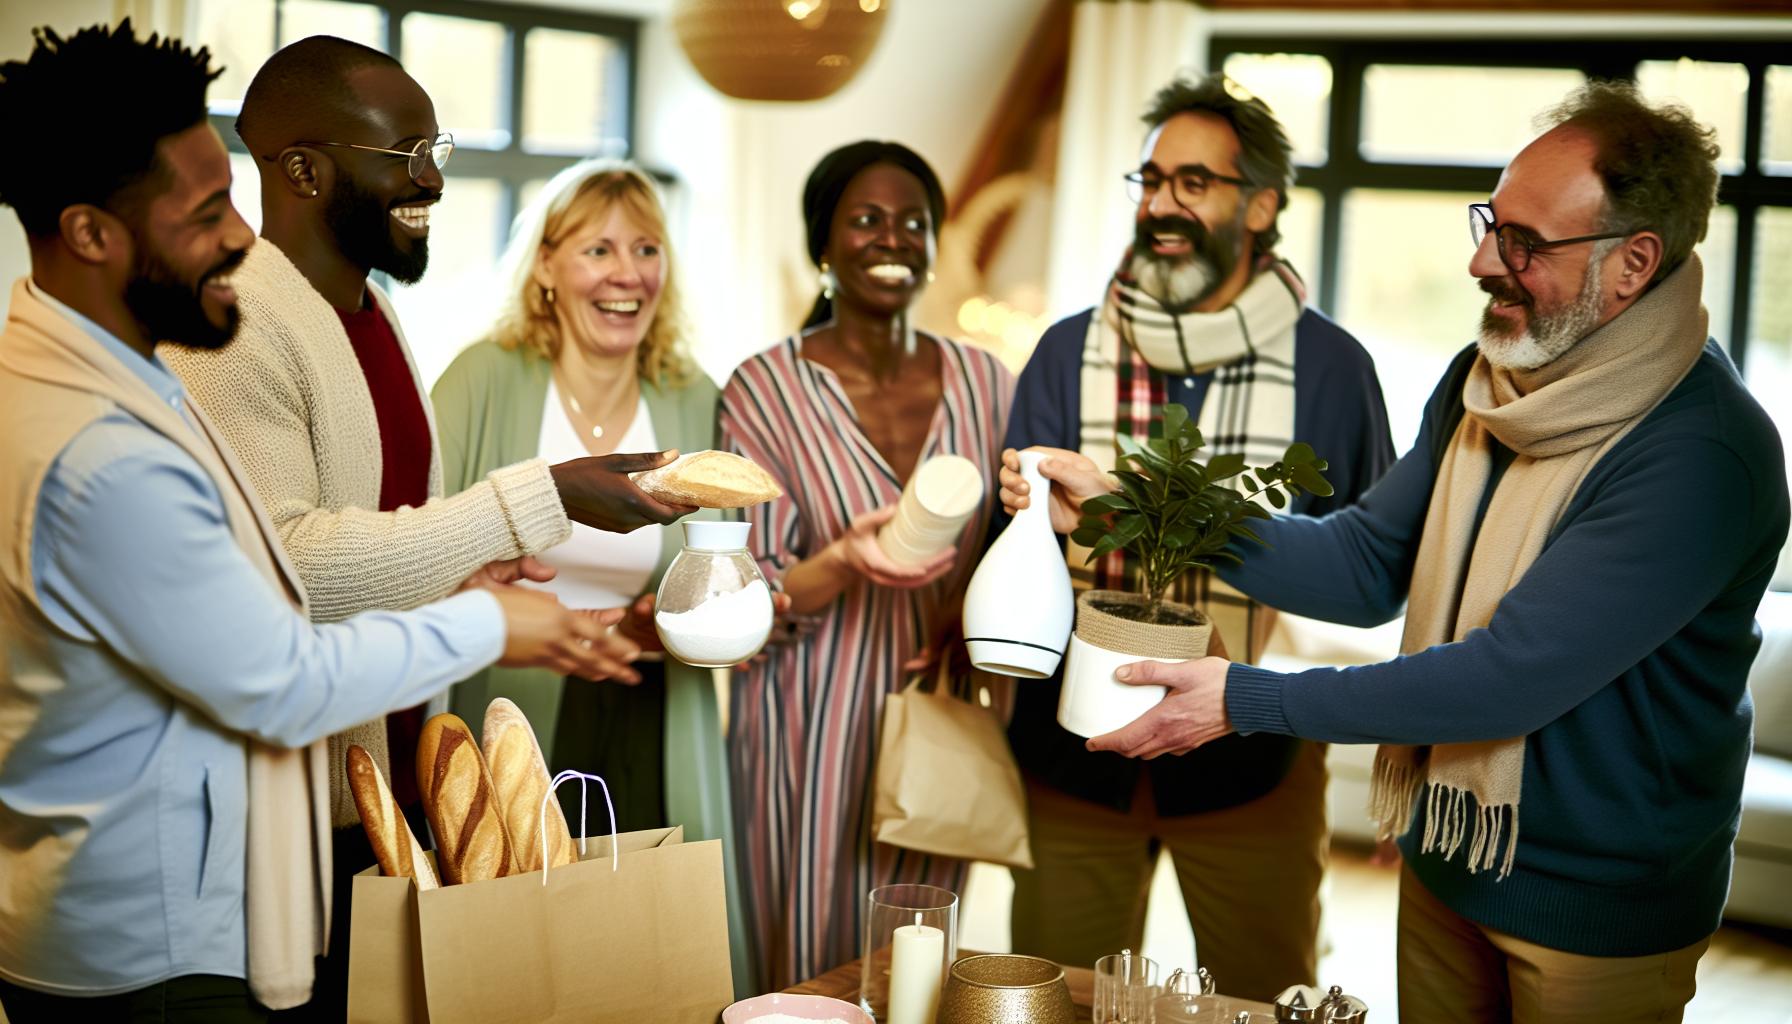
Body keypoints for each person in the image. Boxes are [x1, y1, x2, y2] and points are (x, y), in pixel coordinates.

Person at [1016, 82, 1789, 1023]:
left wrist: (1244, 700)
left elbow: (1511, 677)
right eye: (1490, 224)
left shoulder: (1700, 452)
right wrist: (1139, 504)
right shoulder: (1482, 382)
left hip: (1595, 910)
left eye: (1524, 243)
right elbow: (1363, 565)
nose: (1481, 262)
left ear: (1633, 262)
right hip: (1448, 856)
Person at [0, 21, 620, 1021]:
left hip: (169, 896)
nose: (239, 237)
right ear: (89, 233)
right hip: (149, 944)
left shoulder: (103, 378)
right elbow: (281, 675)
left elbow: (250, 574)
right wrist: (489, 616)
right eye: (207, 212)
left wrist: (447, 572)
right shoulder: (101, 454)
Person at [158, 36, 692, 1019]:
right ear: (303, 170)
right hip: (291, 821)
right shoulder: (233, 327)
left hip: (390, 792)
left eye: (434, 148)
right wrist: (541, 498)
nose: (433, 179)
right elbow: (288, 566)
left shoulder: (369, 311)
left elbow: (381, 536)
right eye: (405, 153)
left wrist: (467, 579)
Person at [990, 73, 1394, 1001]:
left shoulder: (1333, 369)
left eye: (1194, 183)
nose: (1162, 205)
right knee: (1057, 998)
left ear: (1262, 205)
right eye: (1151, 179)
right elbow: (1012, 550)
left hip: (1255, 759)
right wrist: (1025, 513)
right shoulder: (1066, 350)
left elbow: (1370, 571)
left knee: (1264, 1000)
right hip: (1073, 757)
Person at [430, 158, 754, 991]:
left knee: (646, 957)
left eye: (646, 250)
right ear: (545, 265)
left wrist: (668, 617)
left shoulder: (691, 393)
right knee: (513, 958)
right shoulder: (483, 378)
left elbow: (721, 563)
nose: (626, 274)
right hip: (512, 706)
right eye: (597, 250)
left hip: (650, 702)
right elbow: (422, 541)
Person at [718, 140, 1015, 989]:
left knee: (917, 960)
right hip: (805, 722)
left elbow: (1015, 536)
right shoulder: (763, 390)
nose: (892, 239)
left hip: (943, 715)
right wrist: (849, 560)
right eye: (866, 220)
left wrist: (971, 615)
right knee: (807, 963)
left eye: (913, 223)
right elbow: (750, 589)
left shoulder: (989, 383)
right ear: (824, 242)